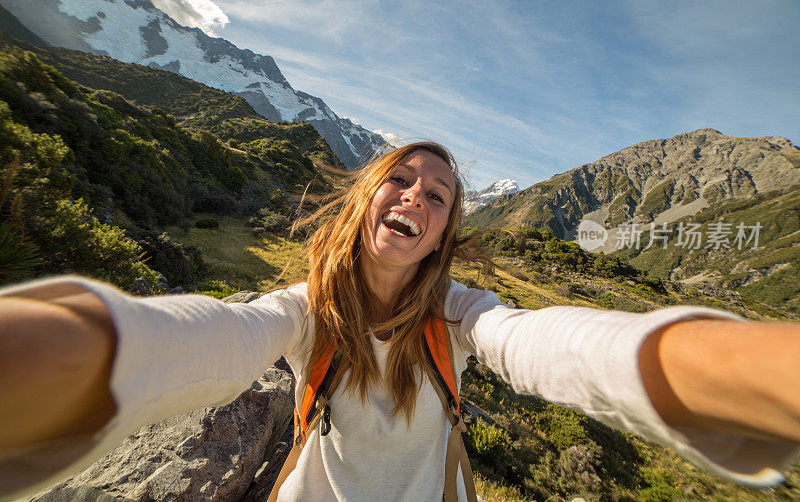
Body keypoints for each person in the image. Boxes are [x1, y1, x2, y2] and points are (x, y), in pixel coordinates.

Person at [1, 141, 800, 501]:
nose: (417, 194)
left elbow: (539, 344)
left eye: (438, 193)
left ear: (442, 235)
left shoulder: (460, 317)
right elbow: (223, 337)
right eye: (402, 179)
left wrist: (724, 366)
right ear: (369, 200)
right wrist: (70, 354)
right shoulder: (306, 311)